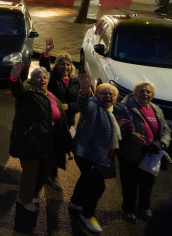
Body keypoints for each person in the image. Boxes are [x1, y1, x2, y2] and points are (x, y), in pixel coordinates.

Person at [8, 62, 71, 212]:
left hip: (48, 141)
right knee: (31, 171)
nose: (42, 80)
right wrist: (14, 78)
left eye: (44, 77)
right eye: (38, 77)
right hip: (30, 140)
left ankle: (29, 193)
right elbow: (18, 90)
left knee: (45, 169)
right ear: (32, 79)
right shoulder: (28, 91)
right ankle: (24, 199)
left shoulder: (50, 95)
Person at [67, 74, 121, 233]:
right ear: (97, 95)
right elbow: (84, 104)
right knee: (98, 187)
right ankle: (87, 214)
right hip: (87, 154)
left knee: (85, 179)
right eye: (104, 93)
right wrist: (84, 92)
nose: (108, 96)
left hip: (99, 155)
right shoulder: (93, 106)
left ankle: (75, 202)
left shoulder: (112, 112)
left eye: (111, 94)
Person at [114, 81, 171, 224]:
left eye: (148, 92)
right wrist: (132, 135)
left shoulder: (156, 109)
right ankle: (128, 209)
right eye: (142, 91)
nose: (145, 94)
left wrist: (162, 143)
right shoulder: (125, 107)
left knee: (147, 184)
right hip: (131, 155)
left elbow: (166, 130)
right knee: (130, 184)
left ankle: (144, 208)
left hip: (151, 155)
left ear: (152, 95)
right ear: (135, 93)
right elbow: (118, 127)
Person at [39, 37, 81, 190]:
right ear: (57, 66)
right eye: (62, 64)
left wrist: (69, 106)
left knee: (62, 147)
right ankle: (50, 173)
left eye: (68, 64)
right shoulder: (53, 79)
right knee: (52, 147)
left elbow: (79, 104)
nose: (65, 67)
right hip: (53, 120)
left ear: (71, 67)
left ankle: (51, 172)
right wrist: (47, 52)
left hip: (68, 122)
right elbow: (44, 68)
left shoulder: (75, 83)